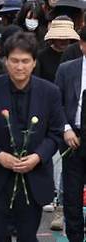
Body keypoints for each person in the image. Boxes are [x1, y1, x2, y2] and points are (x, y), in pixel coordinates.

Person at [0, 32, 64, 241]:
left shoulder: (50, 92)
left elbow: (56, 132)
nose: (19, 67)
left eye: (25, 61)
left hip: (33, 178)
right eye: (14, 61)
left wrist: (38, 157)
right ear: (5, 61)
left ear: (34, 63)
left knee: (28, 236)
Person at [54, 28, 86, 241]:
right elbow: (56, 104)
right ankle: (75, 237)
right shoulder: (66, 69)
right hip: (72, 138)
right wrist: (65, 129)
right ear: (82, 45)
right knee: (72, 196)